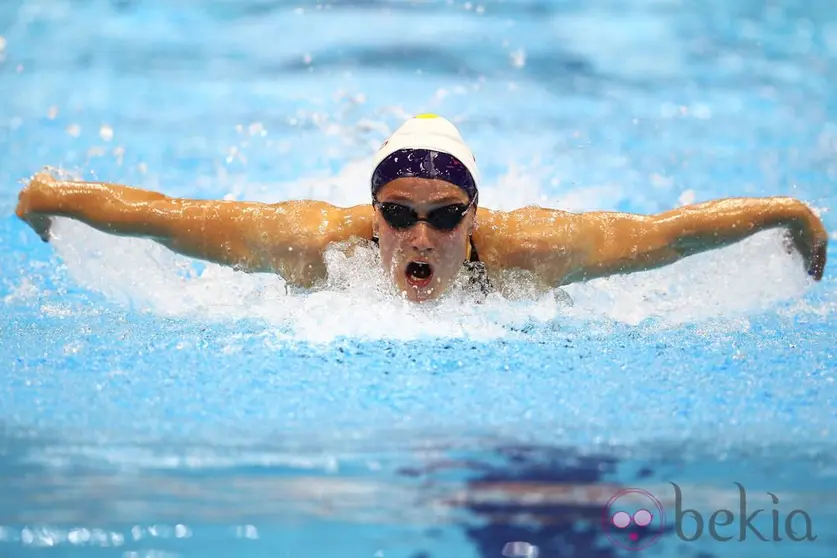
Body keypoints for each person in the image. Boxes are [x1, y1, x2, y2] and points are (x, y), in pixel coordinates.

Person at [14, 114, 828, 303]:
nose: (419, 236)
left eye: (445, 218)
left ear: (475, 217)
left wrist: (787, 211)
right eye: (399, 215)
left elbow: (667, 236)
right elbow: (163, 213)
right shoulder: (305, 243)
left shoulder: (537, 251)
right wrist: (53, 200)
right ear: (372, 214)